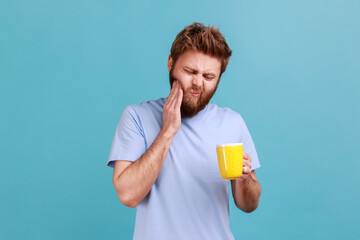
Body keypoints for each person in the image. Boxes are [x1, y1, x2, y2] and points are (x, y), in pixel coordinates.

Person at [107, 22, 262, 240]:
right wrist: (168, 131)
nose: (198, 83)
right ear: (171, 63)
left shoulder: (232, 123)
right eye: (190, 71)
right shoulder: (137, 117)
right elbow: (128, 195)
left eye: (209, 77)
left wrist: (245, 179)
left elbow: (249, 204)